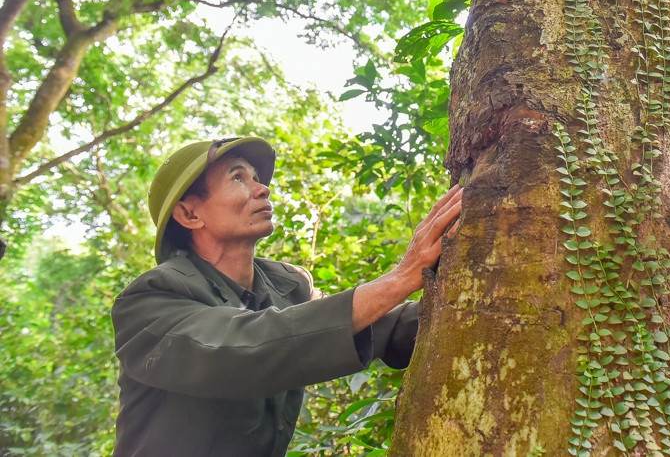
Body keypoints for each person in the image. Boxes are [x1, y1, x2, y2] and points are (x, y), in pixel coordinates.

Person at [111, 136, 462, 456]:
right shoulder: (148, 303)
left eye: (256, 178)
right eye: (238, 178)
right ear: (190, 214)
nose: (262, 189)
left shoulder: (286, 286)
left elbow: (379, 328)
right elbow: (244, 348)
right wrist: (401, 277)